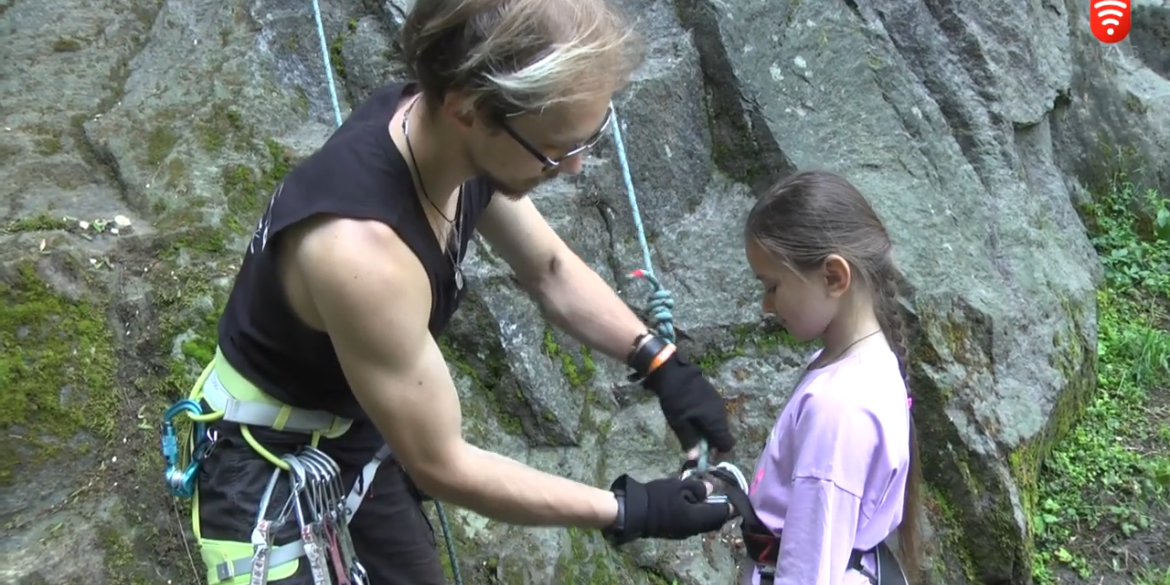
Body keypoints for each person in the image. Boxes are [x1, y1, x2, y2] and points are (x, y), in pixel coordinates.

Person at [181, 0, 739, 584]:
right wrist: (631, 509)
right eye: (556, 148)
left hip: (358, 423)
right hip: (263, 459)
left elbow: (548, 268)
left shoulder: (445, 143)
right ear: (469, 109)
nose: (574, 167)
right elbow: (442, 463)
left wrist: (657, 359)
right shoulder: (363, 254)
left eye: (589, 136)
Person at [733, 170, 924, 585]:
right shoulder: (860, 363)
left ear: (834, 277)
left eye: (772, 286)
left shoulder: (837, 409)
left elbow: (807, 573)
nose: (767, 306)